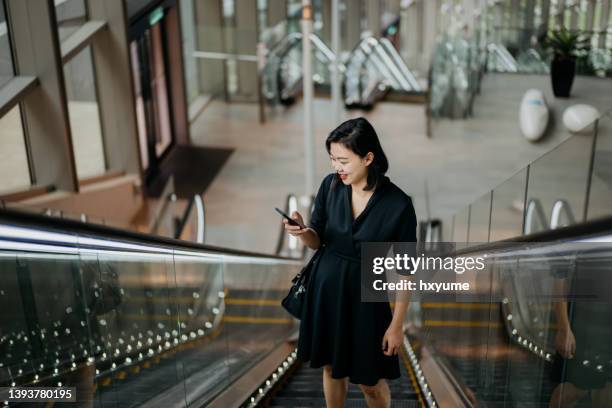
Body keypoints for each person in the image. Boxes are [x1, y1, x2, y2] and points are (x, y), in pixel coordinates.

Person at [283, 117, 417, 408]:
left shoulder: (399, 205)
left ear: (368, 158)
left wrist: (397, 325)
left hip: (366, 299)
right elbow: (318, 240)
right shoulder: (331, 186)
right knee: (331, 367)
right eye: (332, 159)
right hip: (326, 291)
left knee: (369, 381)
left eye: (343, 160)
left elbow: (407, 271)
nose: (336, 167)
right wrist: (303, 233)